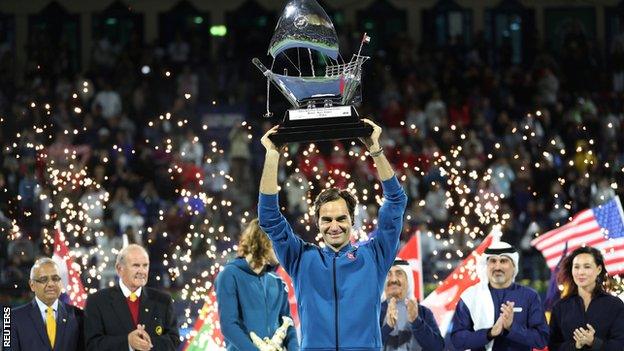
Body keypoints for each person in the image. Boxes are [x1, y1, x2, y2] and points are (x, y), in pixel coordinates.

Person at [258, 119, 408, 350]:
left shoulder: (375, 255)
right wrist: (272, 154)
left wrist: (375, 149)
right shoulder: (300, 258)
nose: (334, 226)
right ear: (317, 223)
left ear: (352, 219)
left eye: (341, 218)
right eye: (326, 220)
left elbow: (396, 201)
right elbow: (269, 216)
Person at [216, 219, 298, 350]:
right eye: (278, 242)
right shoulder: (229, 275)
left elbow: (288, 323)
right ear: (263, 240)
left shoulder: (277, 281)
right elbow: (229, 326)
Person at [450, 241, 549, 350]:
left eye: (503, 261)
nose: (497, 267)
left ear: (514, 266)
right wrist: (489, 333)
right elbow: (457, 340)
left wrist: (512, 328)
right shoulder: (470, 297)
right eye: (493, 261)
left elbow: (541, 339)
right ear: (486, 266)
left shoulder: (529, 296)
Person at [84, 244, 179, 351]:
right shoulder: (97, 301)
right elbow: (92, 345)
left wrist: (147, 343)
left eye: (145, 265)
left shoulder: (163, 300)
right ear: (119, 269)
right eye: (136, 265)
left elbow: (174, 340)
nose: (142, 271)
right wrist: (128, 342)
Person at [548, 246, 624, 350]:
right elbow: (553, 346)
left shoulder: (615, 305)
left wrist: (594, 342)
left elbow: (620, 345)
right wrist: (575, 346)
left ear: (599, 269)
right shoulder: (560, 306)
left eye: (587, 267)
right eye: (576, 267)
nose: (581, 272)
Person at [10, 257, 84, 351]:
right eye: (43, 279)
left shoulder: (79, 316)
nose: (51, 284)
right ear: (32, 285)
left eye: (55, 278)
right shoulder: (11, 317)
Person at [380, 259, 444, 351]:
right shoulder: (374, 313)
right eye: (389, 274)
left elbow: (437, 347)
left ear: (408, 280)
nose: (393, 280)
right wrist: (387, 327)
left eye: (399, 274)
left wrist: (416, 322)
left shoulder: (423, 312)